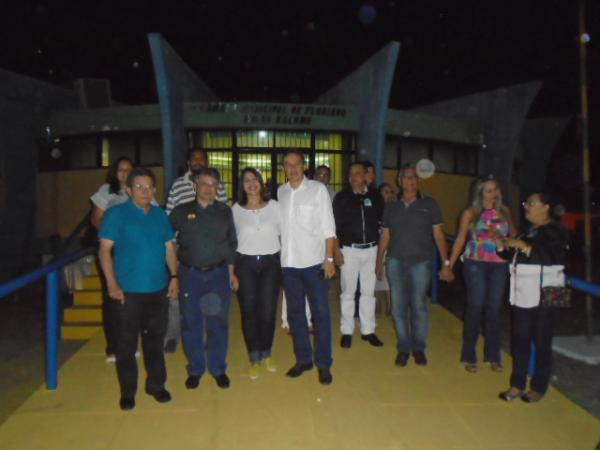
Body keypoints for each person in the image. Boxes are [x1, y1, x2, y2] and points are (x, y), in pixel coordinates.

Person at [98, 167, 179, 411]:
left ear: (155, 190)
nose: (145, 191)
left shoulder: (159, 215)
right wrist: (112, 283)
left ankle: (156, 385)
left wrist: (174, 276)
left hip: (157, 290)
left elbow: (169, 248)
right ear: (129, 189)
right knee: (126, 345)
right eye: (140, 187)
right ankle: (128, 392)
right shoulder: (116, 215)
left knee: (155, 341)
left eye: (149, 187)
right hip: (127, 293)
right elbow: (104, 251)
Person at [376, 164, 454, 367]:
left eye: (413, 177)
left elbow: (438, 235)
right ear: (399, 181)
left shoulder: (430, 204)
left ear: (417, 181)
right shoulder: (391, 206)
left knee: (418, 306)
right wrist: (379, 262)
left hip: (421, 262)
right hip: (395, 262)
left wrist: (446, 263)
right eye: (406, 177)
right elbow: (385, 235)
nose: (410, 180)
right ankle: (404, 347)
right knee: (398, 308)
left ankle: (419, 347)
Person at [170, 167, 238, 390]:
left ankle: (218, 368)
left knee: (218, 323)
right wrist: (173, 275)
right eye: (205, 183)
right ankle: (196, 368)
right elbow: (168, 242)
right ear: (195, 185)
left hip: (218, 275)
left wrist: (231, 273)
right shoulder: (181, 211)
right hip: (190, 275)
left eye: (213, 184)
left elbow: (231, 244)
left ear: (218, 187)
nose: (209, 188)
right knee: (191, 324)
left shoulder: (224, 211)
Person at [497, 193, 568, 403]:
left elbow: (553, 256)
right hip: (524, 292)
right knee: (520, 339)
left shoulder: (558, 230)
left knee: (543, 340)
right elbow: (514, 255)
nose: (526, 207)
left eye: (530, 203)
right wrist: (501, 245)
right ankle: (517, 384)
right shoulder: (529, 232)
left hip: (551, 290)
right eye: (525, 203)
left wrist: (523, 247)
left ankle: (539, 387)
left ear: (545, 207)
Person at [278, 149, 336, 385]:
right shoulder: (281, 193)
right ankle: (304, 359)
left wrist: (329, 259)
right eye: (287, 165)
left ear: (304, 166)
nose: (292, 168)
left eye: (296, 164)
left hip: (314, 264)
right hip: (289, 265)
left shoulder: (318, 190)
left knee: (321, 315)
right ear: (284, 168)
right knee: (295, 315)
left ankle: (323, 363)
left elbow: (328, 227)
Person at [448, 176, 516, 373]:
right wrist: (449, 264)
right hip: (475, 262)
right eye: (488, 190)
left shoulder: (505, 212)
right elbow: (460, 239)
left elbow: (514, 236)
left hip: (499, 263)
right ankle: (469, 354)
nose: (493, 194)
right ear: (479, 193)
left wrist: (501, 237)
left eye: (495, 189)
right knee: (476, 306)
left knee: (494, 308)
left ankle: (493, 355)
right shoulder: (470, 213)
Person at [163, 148, 228, 354]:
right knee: (179, 301)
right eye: (194, 158)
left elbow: (223, 217)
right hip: (184, 252)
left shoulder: (218, 184)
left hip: (210, 252)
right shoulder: (178, 185)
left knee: (213, 306)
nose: (198, 161)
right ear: (189, 161)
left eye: (202, 158)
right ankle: (174, 335)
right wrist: (172, 251)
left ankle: (211, 345)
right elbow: (169, 218)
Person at [232, 168, 282, 380]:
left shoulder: (275, 207)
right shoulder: (235, 209)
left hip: (271, 263)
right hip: (245, 264)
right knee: (249, 311)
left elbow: (285, 236)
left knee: (268, 311)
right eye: (247, 180)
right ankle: (254, 357)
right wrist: (231, 271)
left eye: (255, 179)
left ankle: (267, 352)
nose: (252, 183)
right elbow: (230, 241)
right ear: (242, 186)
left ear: (262, 183)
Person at [333, 161, 384, 348]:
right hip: (349, 250)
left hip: (371, 250)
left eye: (359, 174)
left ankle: (368, 330)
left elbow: (382, 222)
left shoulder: (375, 196)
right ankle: (347, 330)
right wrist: (335, 251)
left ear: (366, 176)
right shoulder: (341, 198)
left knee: (368, 292)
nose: (354, 177)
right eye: (352, 174)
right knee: (347, 292)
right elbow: (333, 227)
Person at [89, 156, 133, 363]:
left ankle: (129, 344)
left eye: (128, 170)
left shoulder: (138, 190)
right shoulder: (107, 190)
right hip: (112, 249)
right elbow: (96, 218)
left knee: (132, 298)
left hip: (133, 251)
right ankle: (113, 347)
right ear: (115, 172)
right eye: (121, 169)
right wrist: (111, 236)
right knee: (112, 297)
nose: (124, 173)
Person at [374, 182, 396, 315]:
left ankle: (390, 307)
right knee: (374, 279)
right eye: (386, 191)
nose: (389, 194)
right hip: (376, 248)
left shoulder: (396, 209)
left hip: (392, 249)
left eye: (391, 191)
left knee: (390, 280)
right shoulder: (375, 210)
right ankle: (376, 307)